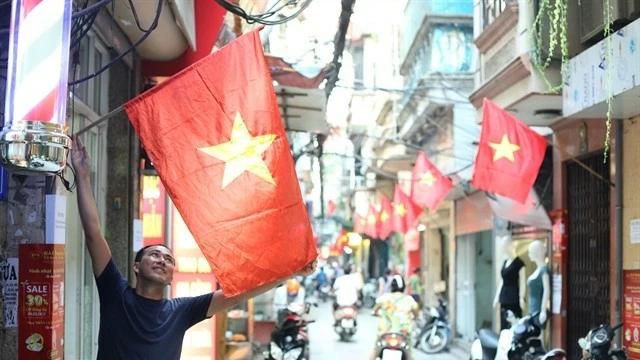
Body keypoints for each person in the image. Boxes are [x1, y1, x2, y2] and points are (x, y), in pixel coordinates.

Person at [70, 135, 316, 360]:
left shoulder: (182, 311)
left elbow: (239, 293)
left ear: (172, 277)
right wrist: (82, 177)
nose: (162, 260)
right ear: (136, 266)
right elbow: (93, 234)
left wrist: (291, 272)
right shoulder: (115, 293)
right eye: (154, 254)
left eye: (168, 260)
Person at [371, 275, 419, 360]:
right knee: (409, 353)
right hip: (403, 333)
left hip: (385, 332)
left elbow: (375, 310)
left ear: (392, 286)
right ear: (404, 287)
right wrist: (414, 317)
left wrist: (376, 313)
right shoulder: (409, 300)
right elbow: (416, 313)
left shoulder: (384, 298)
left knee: (375, 350)